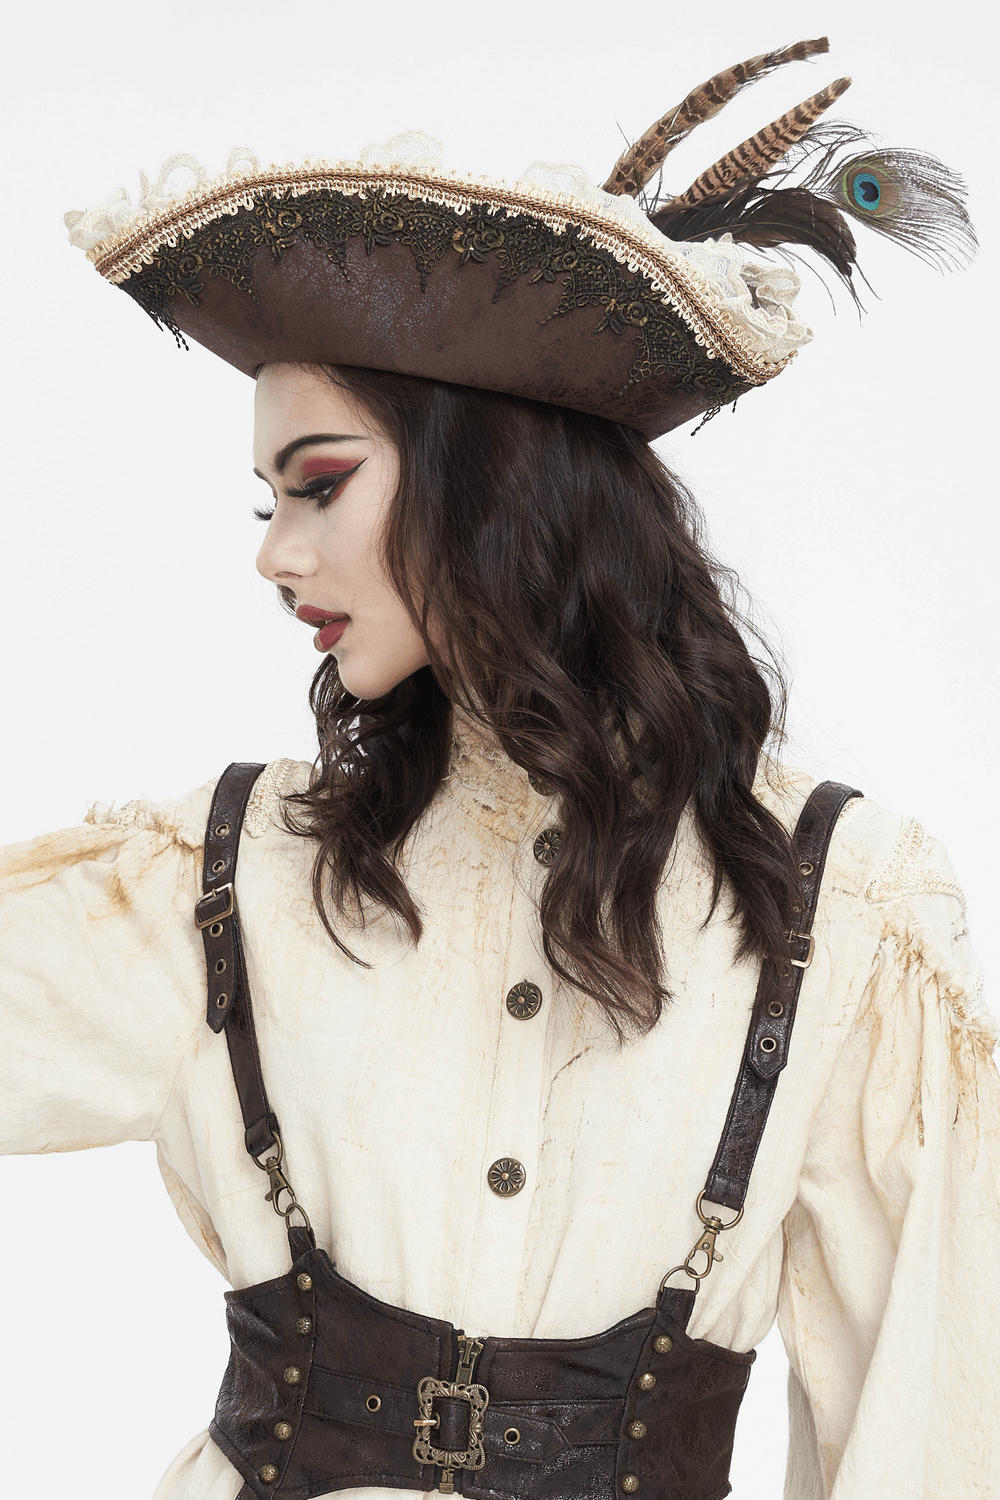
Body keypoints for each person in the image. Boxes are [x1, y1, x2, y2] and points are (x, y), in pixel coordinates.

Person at [3, 37, 998, 1500]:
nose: (277, 554)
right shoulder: (231, 876)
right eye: (270, 499)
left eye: (320, 484)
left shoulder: (842, 918)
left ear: (492, 487)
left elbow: (926, 1424)